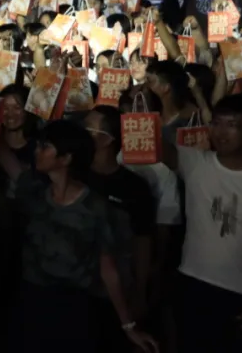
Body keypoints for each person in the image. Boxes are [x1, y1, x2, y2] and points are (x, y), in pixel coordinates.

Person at [0, 120, 158, 353]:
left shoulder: (95, 208)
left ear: (66, 158)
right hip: (31, 301)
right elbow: (7, 160)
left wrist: (128, 325)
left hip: (74, 309)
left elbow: (108, 270)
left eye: (45, 146)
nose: (37, 151)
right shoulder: (34, 191)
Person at [161, 94, 242, 353]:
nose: (221, 132)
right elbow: (158, 148)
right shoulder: (195, 163)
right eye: (216, 123)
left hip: (239, 290)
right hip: (192, 282)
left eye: (232, 125)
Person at [84, 107, 157, 353]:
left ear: (107, 139)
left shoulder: (134, 187)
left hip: (117, 290)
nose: (82, 135)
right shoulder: (73, 177)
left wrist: (140, 290)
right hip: (77, 286)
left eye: (88, 129)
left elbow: (142, 241)